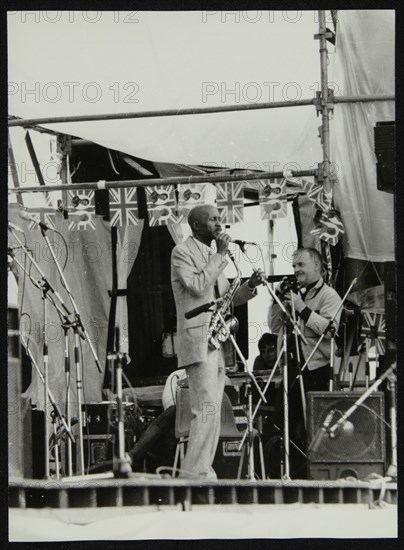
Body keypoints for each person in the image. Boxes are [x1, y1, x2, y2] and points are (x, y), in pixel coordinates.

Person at [171, 204, 263, 480]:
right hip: (197, 340)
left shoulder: (213, 255)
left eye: (219, 219)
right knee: (204, 408)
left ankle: (201, 469)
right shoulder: (181, 252)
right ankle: (194, 472)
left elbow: (227, 298)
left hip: (214, 340)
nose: (219, 224)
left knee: (212, 408)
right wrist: (222, 255)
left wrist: (251, 286)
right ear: (196, 225)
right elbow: (197, 286)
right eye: (213, 219)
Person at [270, 247, 342, 392]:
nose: (296, 270)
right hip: (289, 367)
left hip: (316, 370)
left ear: (316, 265)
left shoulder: (329, 295)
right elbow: (274, 327)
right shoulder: (294, 294)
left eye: (301, 264)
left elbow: (329, 331)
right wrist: (276, 300)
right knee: (286, 414)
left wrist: (301, 308)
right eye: (294, 266)